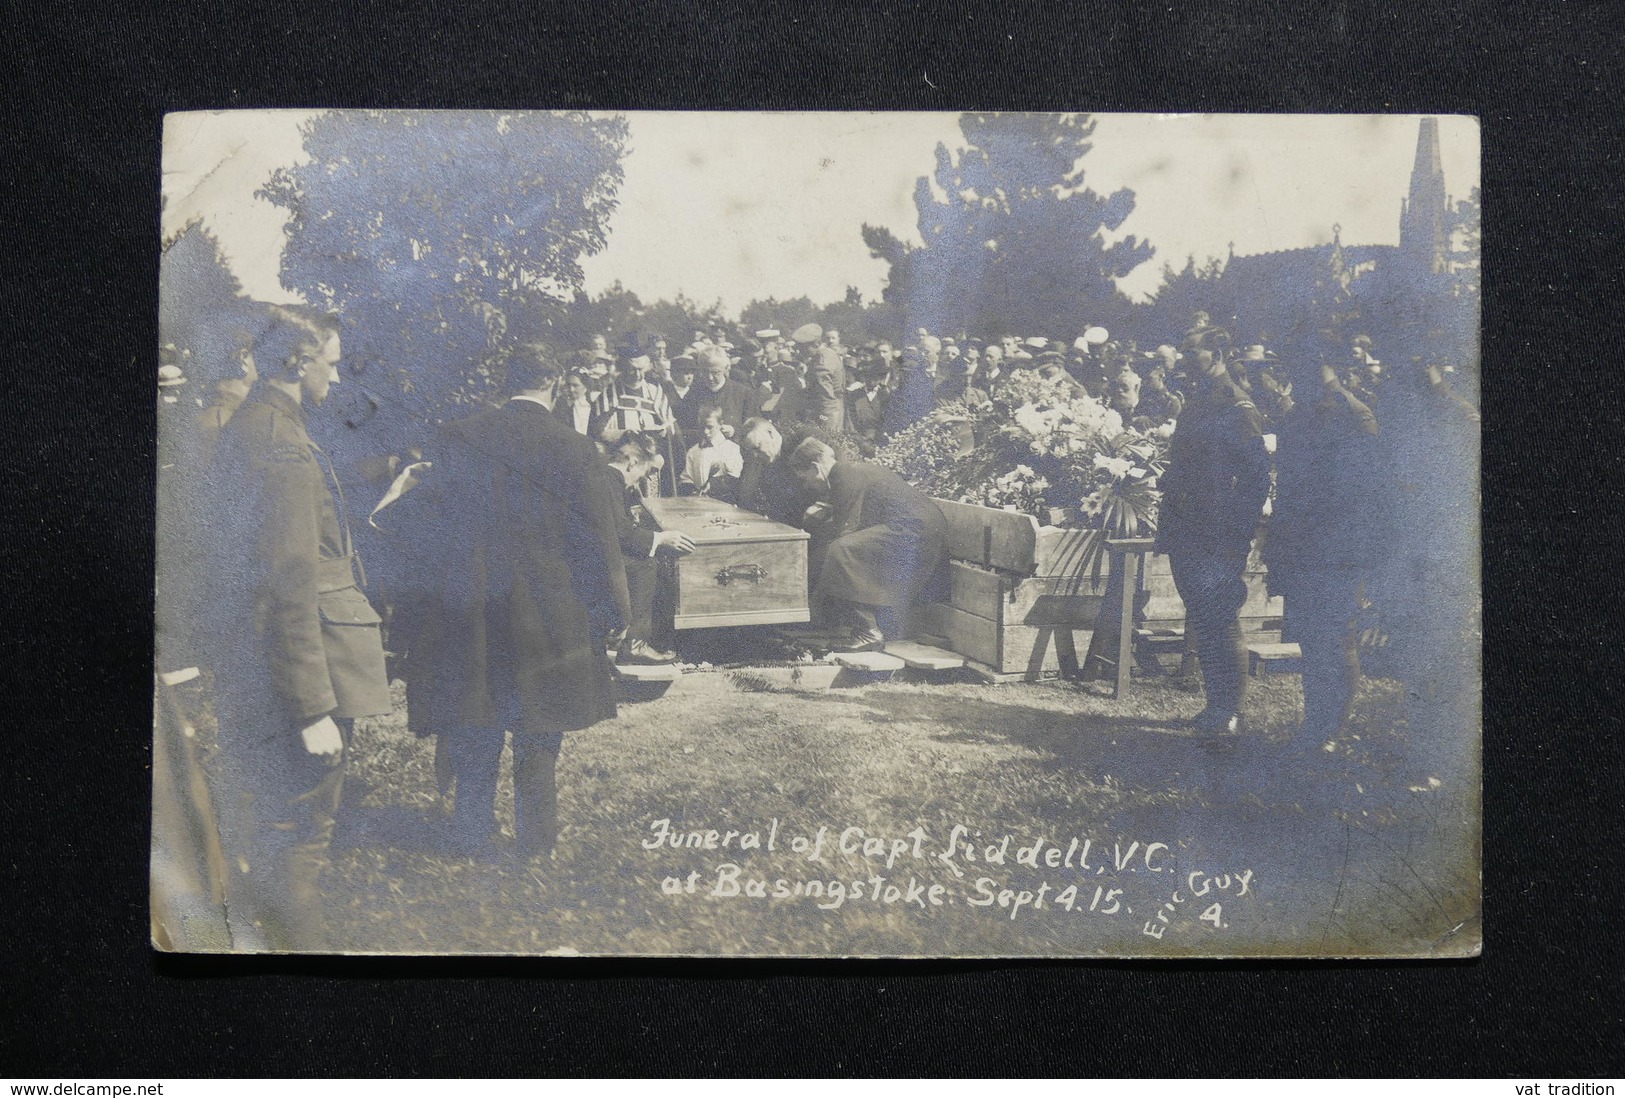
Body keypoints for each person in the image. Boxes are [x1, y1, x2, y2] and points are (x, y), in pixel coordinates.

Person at [205, 304, 392, 949]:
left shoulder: (254, 427)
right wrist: (313, 706)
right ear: (296, 360)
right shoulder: (282, 446)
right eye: (331, 364)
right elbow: (287, 583)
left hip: (257, 668)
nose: (337, 380)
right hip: (295, 674)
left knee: (272, 828)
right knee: (301, 835)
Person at [401, 345, 631, 861]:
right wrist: (614, 610)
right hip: (549, 607)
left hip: (471, 603)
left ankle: (470, 828)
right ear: (556, 383)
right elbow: (597, 540)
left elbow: (425, 521)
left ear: (505, 382)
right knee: (539, 724)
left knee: (476, 715)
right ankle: (537, 840)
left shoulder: (459, 436)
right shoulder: (574, 448)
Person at [1263, 361, 1384, 762]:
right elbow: (1289, 486)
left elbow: (1363, 493)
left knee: (1336, 637)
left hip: (1338, 548)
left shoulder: (1354, 414)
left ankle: (1333, 731)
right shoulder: (1297, 414)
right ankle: (1314, 727)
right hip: (1302, 545)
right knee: (1312, 641)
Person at [1154, 348, 1273, 735]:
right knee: (1203, 618)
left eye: (1195, 354)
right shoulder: (1197, 402)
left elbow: (1257, 477)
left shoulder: (1237, 406)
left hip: (1217, 532)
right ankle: (1215, 706)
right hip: (1186, 526)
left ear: (1219, 354)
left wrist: (1238, 530)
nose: (1186, 362)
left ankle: (1231, 711)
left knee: (1221, 618)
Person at [788, 438, 947, 653]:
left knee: (840, 551)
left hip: (914, 528)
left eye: (804, 479)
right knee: (843, 549)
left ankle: (868, 631)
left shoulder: (842, 475)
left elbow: (844, 532)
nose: (806, 486)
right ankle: (862, 624)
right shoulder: (845, 472)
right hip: (920, 525)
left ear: (816, 468)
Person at [596, 432, 696, 665]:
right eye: (645, 471)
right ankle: (635, 644)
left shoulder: (607, 477)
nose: (642, 479)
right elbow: (621, 533)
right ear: (632, 462)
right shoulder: (610, 479)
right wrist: (661, 539)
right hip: (592, 555)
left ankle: (630, 635)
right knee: (645, 565)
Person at [695, 345, 761, 437]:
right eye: (705, 372)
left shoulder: (743, 393)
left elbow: (755, 426)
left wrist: (735, 431)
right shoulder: (694, 392)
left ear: (726, 369)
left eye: (715, 372)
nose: (710, 378)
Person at [682, 406, 745, 499]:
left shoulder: (731, 449)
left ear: (720, 424)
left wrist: (712, 485)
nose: (705, 431)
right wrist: (691, 490)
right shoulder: (693, 451)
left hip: (723, 503)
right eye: (702, 427)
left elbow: (734, 478)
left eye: (709, 427)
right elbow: (686, 477)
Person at [555, 369, 596, 436]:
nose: (571, 389)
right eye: (568, 385)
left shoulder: (590, 408)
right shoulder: (560, 406)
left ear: (585, 387)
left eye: (575, 385)